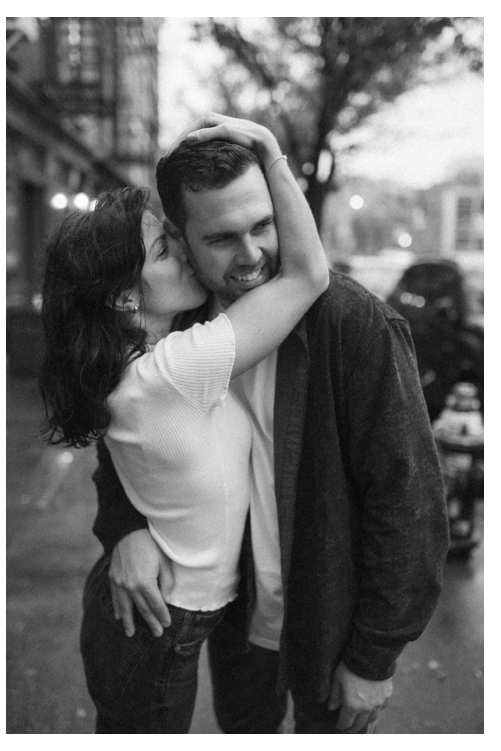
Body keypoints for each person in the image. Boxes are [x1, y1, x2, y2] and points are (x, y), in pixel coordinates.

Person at [95, 114, 447, 733]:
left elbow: (407, 497)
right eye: (221, 238)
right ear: (180, 238)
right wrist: (124, 528)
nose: (252, 254)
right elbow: (122, 438)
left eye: (263, 225)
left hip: (329, 621)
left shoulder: (351, 324)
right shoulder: (178, 321)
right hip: (238, 618)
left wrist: (374, 655)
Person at [39, 116, 329, 732]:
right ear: (124, 297)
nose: (188, 257)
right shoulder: (170, 371)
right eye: (166, 251)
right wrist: (271, 152)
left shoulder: (137, 363)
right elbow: (308, 276)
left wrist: (125, 530)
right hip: (160, 620)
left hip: (166, 608)